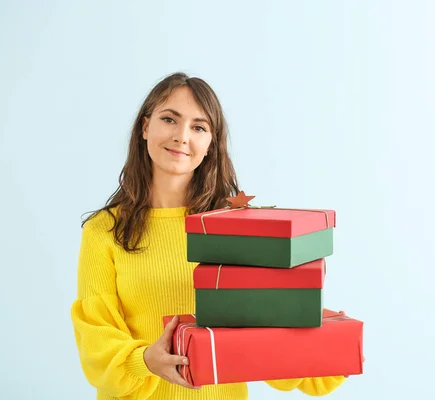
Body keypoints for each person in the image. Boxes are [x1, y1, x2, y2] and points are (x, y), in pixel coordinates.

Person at [70, 72, 346, 399]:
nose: (182, 136)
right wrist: (144, 360)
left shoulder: (238, 228)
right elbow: (95, 335)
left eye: (198, 127)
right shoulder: (104, 231)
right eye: (170, 119)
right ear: (145, 127)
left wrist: (333, 347)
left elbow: (268, 325)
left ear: (210, 143)